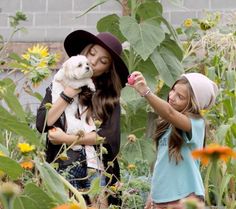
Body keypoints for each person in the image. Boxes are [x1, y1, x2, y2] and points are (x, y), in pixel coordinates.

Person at [36, 30, 129, 207]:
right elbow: (42, 124)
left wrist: (66, 138)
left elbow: (108, 138)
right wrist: (68, 94)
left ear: (108, 68)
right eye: (92, 53)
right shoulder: (58, 86)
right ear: (83, 52)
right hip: (64, 166)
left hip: (98, 169)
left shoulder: (109, 98)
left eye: (103, 61)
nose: (93, 62)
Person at [128, 72, 218, 209]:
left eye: (180, 97)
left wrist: (146, 92)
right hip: (161, 199)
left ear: (193, 104)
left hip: (185, 198)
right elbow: (163, 162)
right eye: (173, 90)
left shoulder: (196, 124)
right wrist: (153, 194)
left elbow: (169, 112)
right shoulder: (167, 125)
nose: (172, 97)